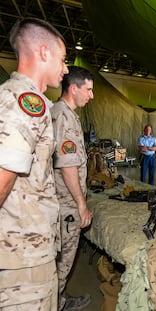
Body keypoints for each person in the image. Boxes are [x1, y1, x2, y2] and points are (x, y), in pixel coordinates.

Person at [0, 17, 68, 310]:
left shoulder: (13, 97)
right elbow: (3, 174)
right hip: (23, 253)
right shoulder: (26, 102)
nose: (65, 69)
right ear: (43, 53)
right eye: (63, 60)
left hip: (26, 248)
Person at [51, 66, 94, 310]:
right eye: (88, 90)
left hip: (60, 200)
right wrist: (81, 205)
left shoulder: (61, 113)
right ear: (74, 88)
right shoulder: (65, 116)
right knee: (63, 260)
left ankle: (59, 299)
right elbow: (68, 166)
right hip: (66, 204)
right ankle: (55, 303)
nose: (91, 95)